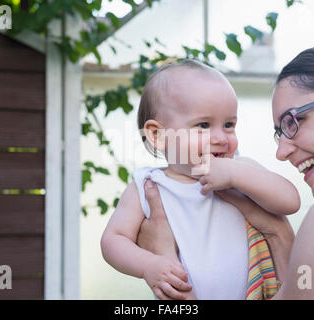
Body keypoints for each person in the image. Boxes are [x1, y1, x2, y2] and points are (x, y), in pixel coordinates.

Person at [137, 38, 314, 300]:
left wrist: (165, 259)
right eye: (280, 133)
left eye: (293, 122)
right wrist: (278, 233)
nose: (281, 152)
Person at [100, 60, 300, 300]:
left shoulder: (240, 169)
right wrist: (148, 265)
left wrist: (236, 174)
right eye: (203, 125)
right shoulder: (149, 184)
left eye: (229, 125)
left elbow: (290, 201)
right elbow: (113, 240)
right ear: (157, 135)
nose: (220, 137)